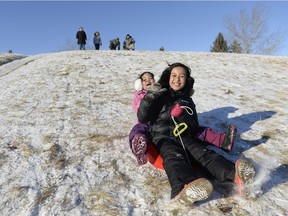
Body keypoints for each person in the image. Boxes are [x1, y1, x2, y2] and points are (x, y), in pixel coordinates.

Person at [137, 63, 256, 205]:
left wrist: (183, 116)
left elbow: (194, 124)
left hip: (184, 136)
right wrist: (150, 97)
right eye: (174, 75)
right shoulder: (158, 95)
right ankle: (184, 187)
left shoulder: (187, 99)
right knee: (174, 157)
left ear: (186, 80)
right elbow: (142, 118)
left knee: (204, 153)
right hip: (162, 138)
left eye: (182, 76)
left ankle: (235, 175)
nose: (177, 79)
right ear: (168, 77)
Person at [129, 71, 237, 167]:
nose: (148, 80)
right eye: (144, 80)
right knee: (138, 129)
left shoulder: (162, 91)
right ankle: (139, 144)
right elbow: (140, 111)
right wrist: (148, 100)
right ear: (139, 84)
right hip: (148, 122)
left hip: (167, 122)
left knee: (197, 130)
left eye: (150, 78)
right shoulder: (139, 96)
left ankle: (223, 141)